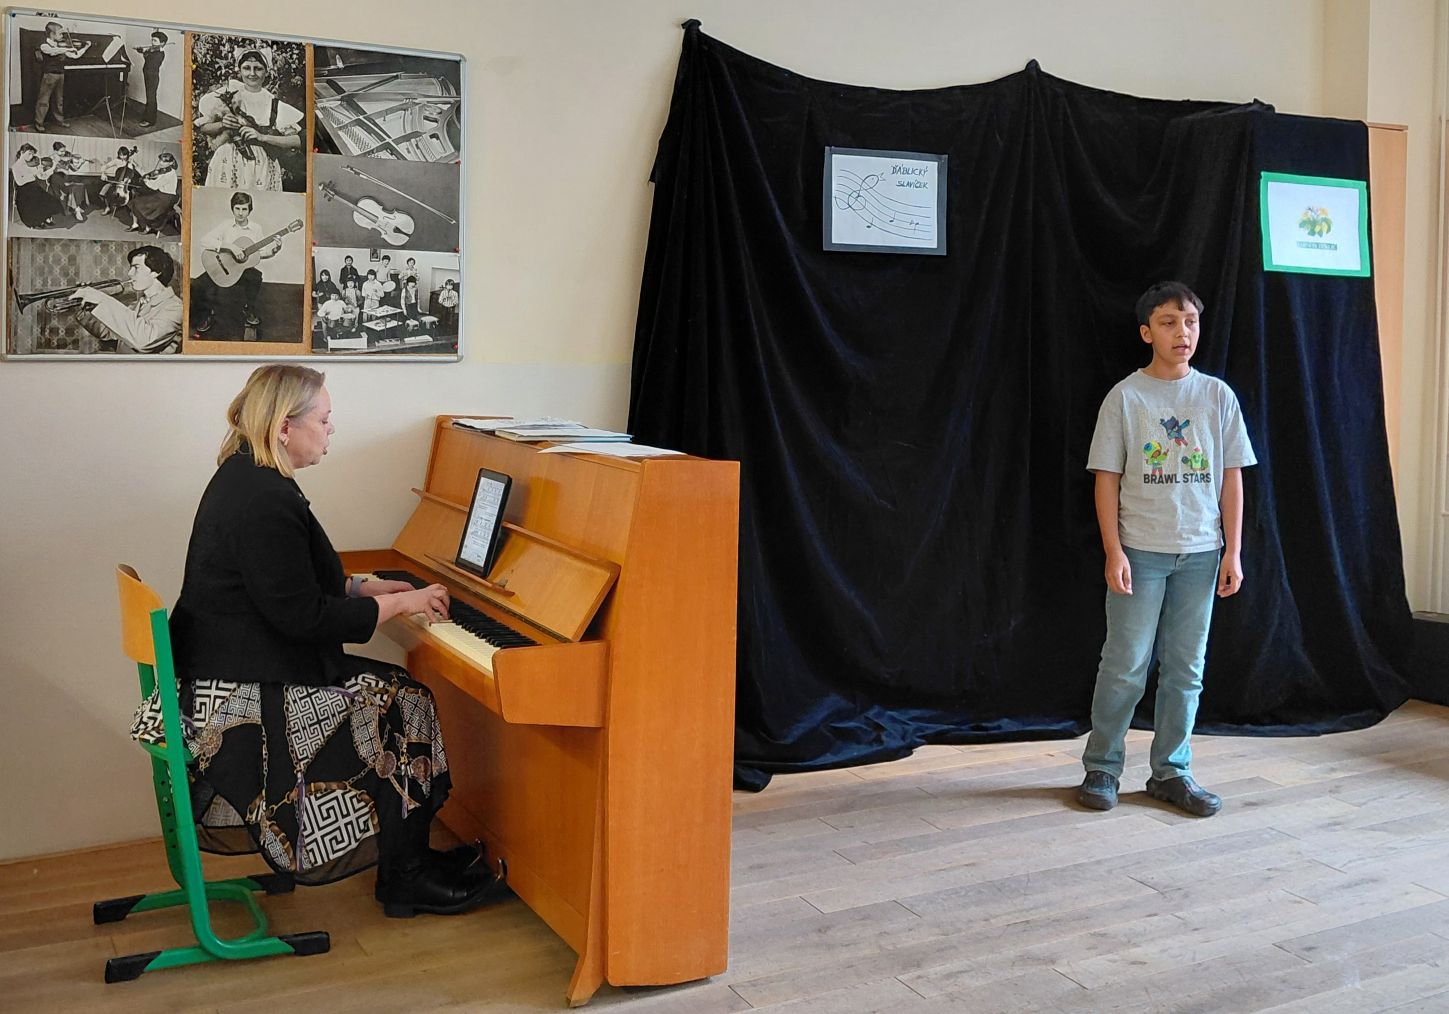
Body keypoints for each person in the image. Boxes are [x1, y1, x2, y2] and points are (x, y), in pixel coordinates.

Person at [130, 365, 509, 915]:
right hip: (238, 697)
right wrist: (399, 604)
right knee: (406, 700)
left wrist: (362, 588)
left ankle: (410, 858)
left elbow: (280, 583)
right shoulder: (263, 497)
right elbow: (302, 617)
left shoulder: (247, 477)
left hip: (228, 669)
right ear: (285, 427)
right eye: (325, 420)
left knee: (398, 694)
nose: (332, 430)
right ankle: (405, 876)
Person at [1077, 281, 1256, 817]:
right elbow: (1106, 479)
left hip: (1200, 553)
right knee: (1126, 664)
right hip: (1141, 552)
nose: (1183, 332)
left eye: (1191, 321)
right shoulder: (1126, 397)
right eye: (1169, 322)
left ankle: (1171, 772)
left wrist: (1232, 550)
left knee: (1186, 668)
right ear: (1146, 332)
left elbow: (1231, 477)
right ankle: (1102, 767)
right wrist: (1114, 551)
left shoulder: (1217, 396)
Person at [195, 48, 303, 191]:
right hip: (226, 162)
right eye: (246, 68)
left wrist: (263, 137)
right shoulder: (228, 94)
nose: (252, 73)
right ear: (240, 70)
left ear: (267, 71)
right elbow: (203, 127)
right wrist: (222, 124)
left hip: (260, 166)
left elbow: (297, 140)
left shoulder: (273, 103)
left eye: (258, 68)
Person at [191, 191, 280, 333]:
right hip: (222, 267)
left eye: (244, 209)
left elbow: (259, 254)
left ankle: (249, 309)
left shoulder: (256, 228)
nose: (240, 213)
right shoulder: (226, 225)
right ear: (232, 208)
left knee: (256, 277)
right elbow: (204, 241)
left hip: (240, 271)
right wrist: (230, 246)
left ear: (249, 210)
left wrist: (274, 250)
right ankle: (206, 314)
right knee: (197, 285)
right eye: (237, 208)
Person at [72, 245, 182, 354]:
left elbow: (144, 340)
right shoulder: (136, 305)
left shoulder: (175, 307)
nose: (130, 273)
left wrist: (102, 299)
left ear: (156, 272)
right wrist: (84, 308)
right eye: (131, 267)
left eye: (136, 268)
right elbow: (106, 333)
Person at [32, 21, 89, 130]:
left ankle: (59, 120)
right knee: (43, 101)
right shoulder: (44, 45)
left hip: (61, 75)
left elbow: (75, 56)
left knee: (59, 100)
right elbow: (53, 52)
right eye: (60, 33)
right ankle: (39, 123)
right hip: (49, 76)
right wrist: (68, 48)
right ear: (52, 34)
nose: (62, 36)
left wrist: (85, 48)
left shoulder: (60, 46)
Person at [11, 143, 68, 228]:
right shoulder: (15, 166)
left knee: (50, 200)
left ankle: (44, 218)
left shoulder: (32, 164)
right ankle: (36, 221)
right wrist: (32, 175)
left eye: (32, 154)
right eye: (29, 154)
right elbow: (19, 182)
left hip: (34, 188)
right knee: (36, 200)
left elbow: (42, 176)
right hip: (23, 191)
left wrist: (52, 168)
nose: (31, 156)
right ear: (22, 152)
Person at [126, 153, 179, 235]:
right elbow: (146, 175)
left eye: (164, 161)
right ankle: (136, 224)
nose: (161, 163)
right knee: (135, 201)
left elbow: (153, 186)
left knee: (138, 203)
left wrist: (146, 180)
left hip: (166, 198)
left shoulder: (169, 174)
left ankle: (149, 227)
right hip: (160, 195)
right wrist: (135, 165)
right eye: (160, 160)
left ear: (171, 163)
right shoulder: (163, 171)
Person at [134, 30, 167, 127]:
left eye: (155, 41)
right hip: (147, 75)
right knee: (149, 97)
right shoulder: (152, 51)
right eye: (152, 40)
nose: (152, 43)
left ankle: (150, 120)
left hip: (152, 77)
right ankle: (147, 116)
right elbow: (146, 56)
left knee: (151, 97)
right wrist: (140, 50)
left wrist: (147, 52)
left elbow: (150, 61)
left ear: (162, 43)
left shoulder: (160, 54)